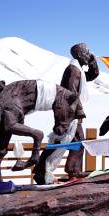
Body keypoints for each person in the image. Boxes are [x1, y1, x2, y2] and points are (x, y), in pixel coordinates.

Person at [35, 43, 99, 183]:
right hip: (68, 114)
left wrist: (93, 62)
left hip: (71, 112)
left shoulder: (78, 69)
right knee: (65, 141)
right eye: (87, 53)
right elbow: (71, 93)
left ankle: (69, 171)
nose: (88, 55)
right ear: (80, 55)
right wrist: (78, 111)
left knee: (73, 141)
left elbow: (92, 75)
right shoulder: (73, 70)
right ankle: (48, 171)